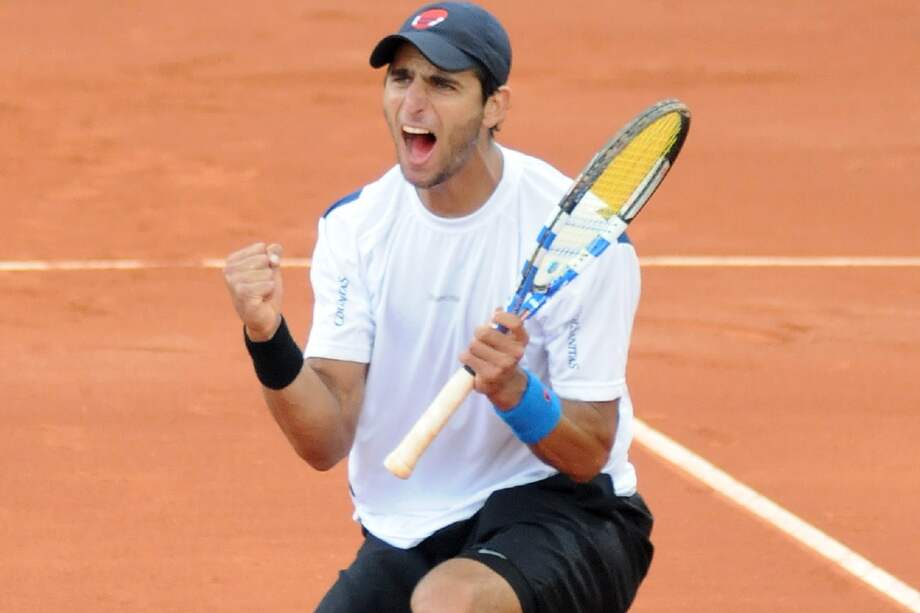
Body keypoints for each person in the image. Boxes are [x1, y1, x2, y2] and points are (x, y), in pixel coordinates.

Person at [223, 3, 654, 612]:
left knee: (451, 603)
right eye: (401, 79)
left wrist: (514, 392)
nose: (413, 104)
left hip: (569, 510)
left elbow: (588, 453)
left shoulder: (581, 238)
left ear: (494, 106)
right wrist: (267, 335)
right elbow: (323, 441)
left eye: (443, 84)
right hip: (415, 528)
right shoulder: (356, 229)